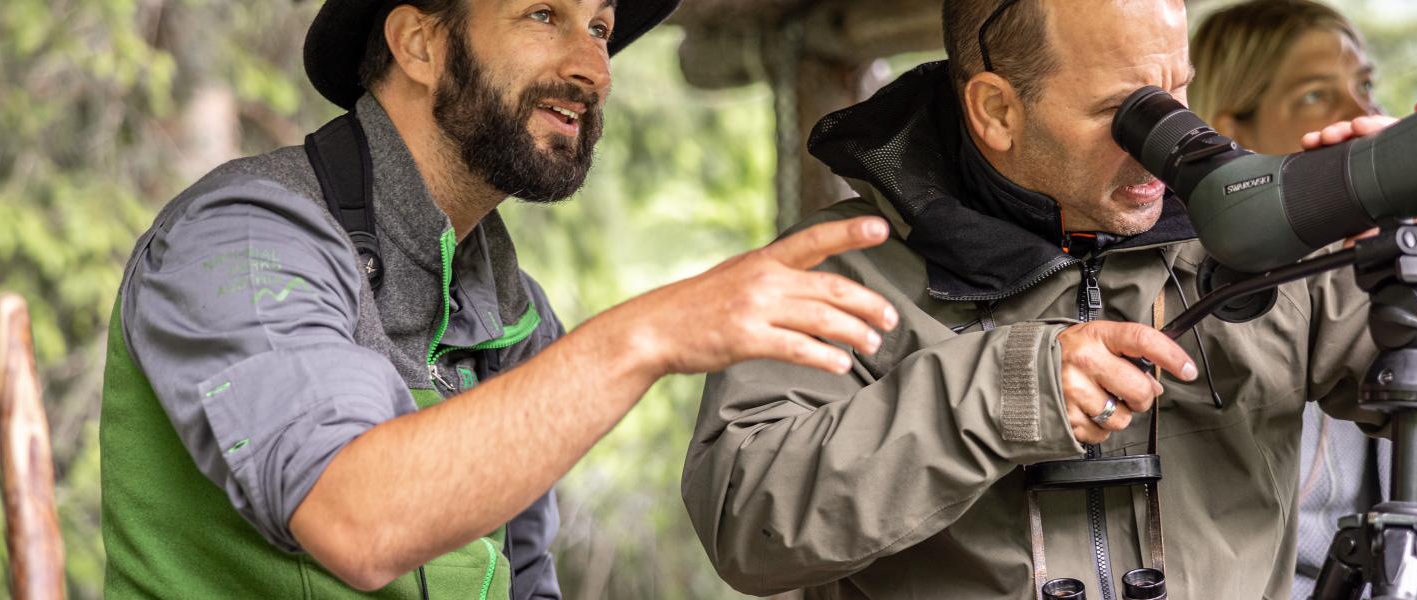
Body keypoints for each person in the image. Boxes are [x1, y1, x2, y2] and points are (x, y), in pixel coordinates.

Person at [680, 0, 1417, 597]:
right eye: (1124, 109)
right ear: (997, 110)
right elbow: (746, 520)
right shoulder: (848, 268)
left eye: (1177, 93)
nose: (1170, 137)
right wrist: (1005, 391)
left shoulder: (1253, 250)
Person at [100, 0, 904, 597]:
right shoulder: (245, 239)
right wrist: (649, 334)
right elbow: (356, 519)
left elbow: (522, 580)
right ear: (419, 43)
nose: (594, 69)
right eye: (545, 15)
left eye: (600, 26)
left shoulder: (515, 314)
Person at [1186, 2, 1417, 596]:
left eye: (1364, 85)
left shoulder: (1385, 265)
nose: (1363, 113)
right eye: (1316, 96)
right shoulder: (1192, 297)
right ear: (1228, 135)